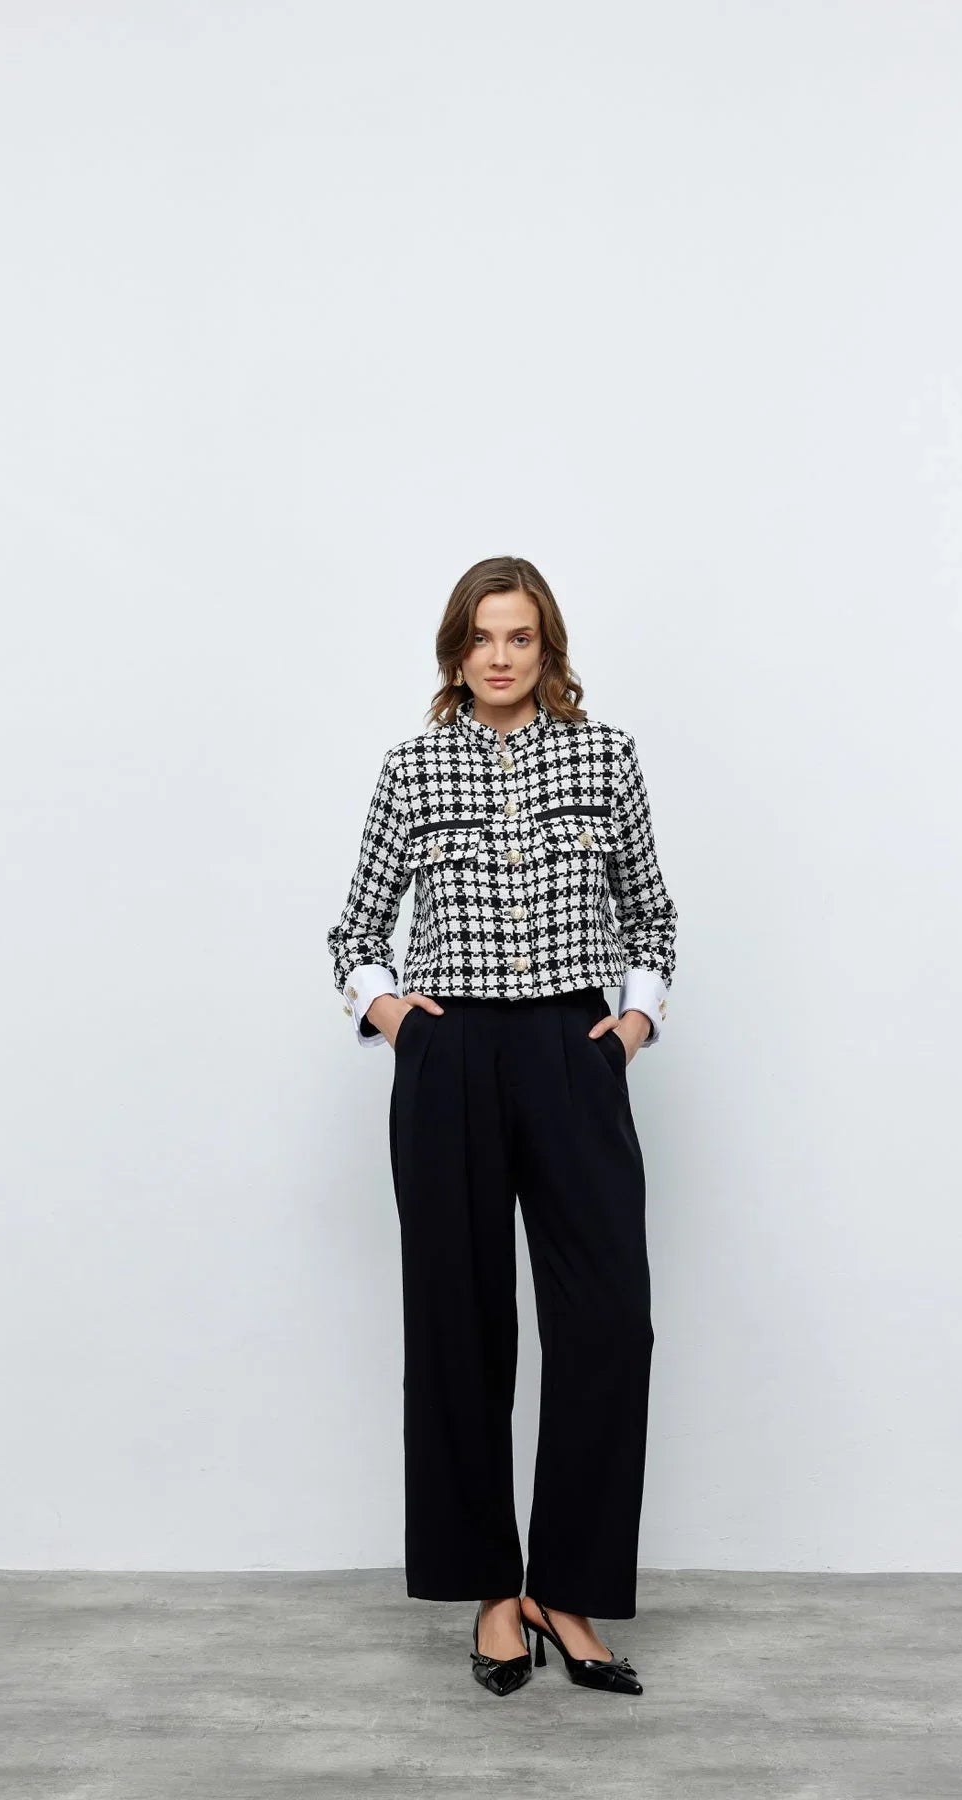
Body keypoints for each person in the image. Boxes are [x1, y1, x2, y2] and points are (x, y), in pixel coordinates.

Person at [327, 555, 677, 1697]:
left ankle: (564, 1591)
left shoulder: (604, 756)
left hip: (573, 1050)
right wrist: (395, 1019)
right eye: (480, 637)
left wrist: (630, 1026)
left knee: (607, 1323)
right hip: (453, 1055)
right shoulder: (413, 766)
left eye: (518, 636)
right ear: (455, 649)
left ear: (546, 647)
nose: (499, 656)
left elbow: (651, 914)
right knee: (459, 1325)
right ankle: (489, 1591)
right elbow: (354, 931)